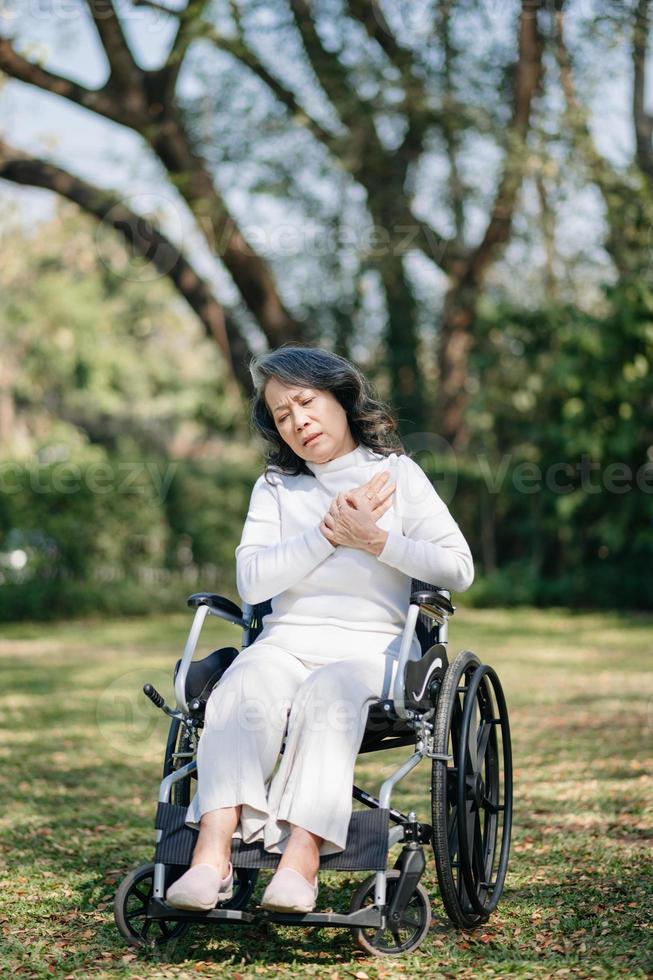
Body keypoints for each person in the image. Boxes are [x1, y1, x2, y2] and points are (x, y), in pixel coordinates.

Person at [166, 345, 474, 913]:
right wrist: (329, 534)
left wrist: (376, 539)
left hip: (372, 651)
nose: (298, 422)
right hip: (286, 642)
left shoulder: (398, 475)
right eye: (282, 416)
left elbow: (458, 567)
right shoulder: (278, 488)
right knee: (245, 683)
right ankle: (212, 858)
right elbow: (253, 580)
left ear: (340, 396)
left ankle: (301, 860)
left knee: (328, 693)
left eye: (306, 403)